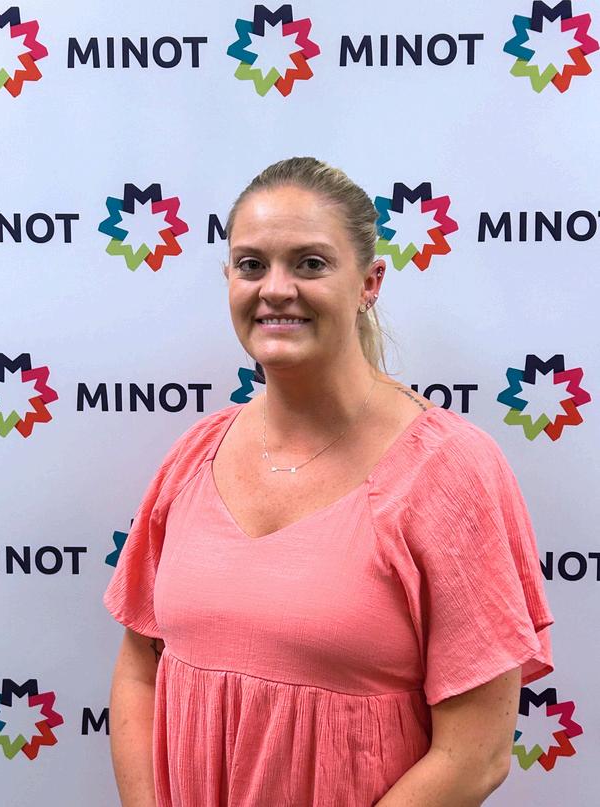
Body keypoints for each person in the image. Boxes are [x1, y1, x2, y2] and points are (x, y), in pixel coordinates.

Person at [103, 156, 554, 807]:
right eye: (251, 264)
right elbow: (140, 669)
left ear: (369, 282)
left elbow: (475, 754)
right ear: (229, 278)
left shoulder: (451, 470)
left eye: (310, 263)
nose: (275, 289)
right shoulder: (195, 454)